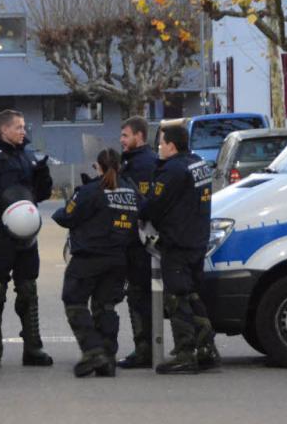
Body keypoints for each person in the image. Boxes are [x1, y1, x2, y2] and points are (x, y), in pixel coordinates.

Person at [0, 110, 53, 369]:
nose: (23, 131)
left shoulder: (27, 157)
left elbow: (40, 194)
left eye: (23, 127)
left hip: (26, 236)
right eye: (18, 127)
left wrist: (42, 174)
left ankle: (33, 347)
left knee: (28, 289)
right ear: (3, 129)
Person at [139, 125, 220, 374]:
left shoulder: (173, 169)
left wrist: (139, 209)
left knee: (176, 298)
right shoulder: (199, 164)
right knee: (192, 294)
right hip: (197, 239)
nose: (159, 148)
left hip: (178, 242)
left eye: (161, 143)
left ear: (172, 146)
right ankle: (206, 348)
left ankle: (186, 352)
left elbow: (154, 204)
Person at [53, 149, 140, 377]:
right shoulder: (131, 190)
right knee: (106, 306)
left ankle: (93, 350)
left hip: (89, 257)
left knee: (73, 300)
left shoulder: (90, 191)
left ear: (98, 167)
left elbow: (67, 217)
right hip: (118, 259)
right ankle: (108, 357)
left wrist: (64, 207)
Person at [117, 116, 158, 369]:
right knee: (140, 294)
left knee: (139, 295)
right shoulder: (136, 161)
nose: (121, 140)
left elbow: (140, 204)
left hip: (140, 241)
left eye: (125, 135)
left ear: (139, 136)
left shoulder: (142, 165)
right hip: (140, 239)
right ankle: (150, 346)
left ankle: (145, 349)